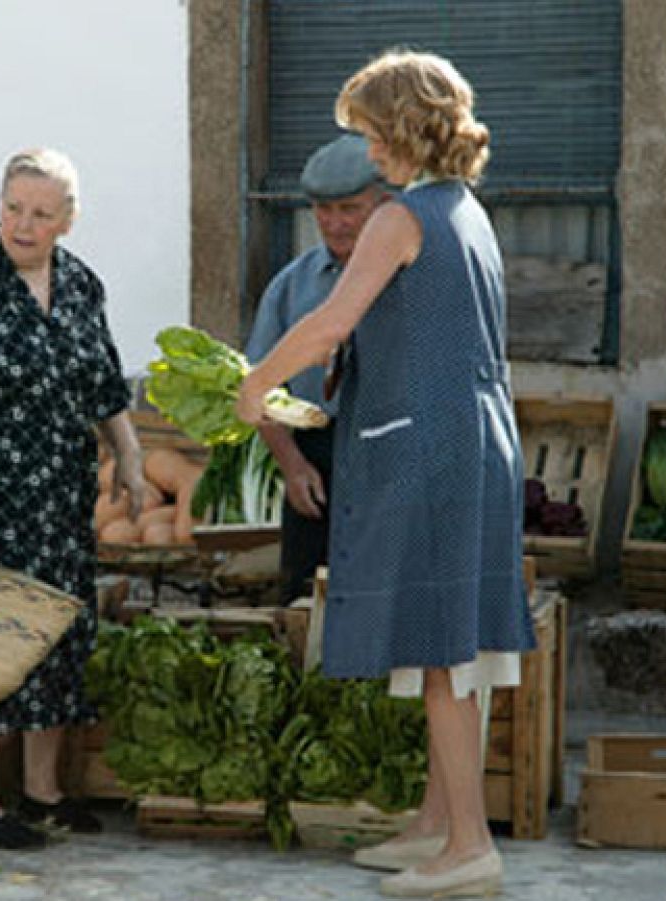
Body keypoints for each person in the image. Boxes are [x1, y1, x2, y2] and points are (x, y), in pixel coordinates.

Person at [234, 51, 534, 899]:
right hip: (473, 438)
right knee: (449, 643)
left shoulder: (399, 218)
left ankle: (469, 846)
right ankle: (438, 823)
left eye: (367, 131)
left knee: (441, 652)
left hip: (430, 448)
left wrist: (254, 385)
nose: (364, 149)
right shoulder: (463, 209)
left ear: (400, 127)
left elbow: (329, 322)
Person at [0, 148, 147, 850]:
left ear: (67, 221)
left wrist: (128, 454)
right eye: (14, 207)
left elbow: (101, 382)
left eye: (41, 213)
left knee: (59, 634)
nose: (23, 224)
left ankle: (43, 791)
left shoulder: (77, 284)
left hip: (60, 494)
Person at [244, 134, 389, 605]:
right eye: (323, 210)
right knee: (305, 604)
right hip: (316, 460)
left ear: (384, 204)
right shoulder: (292, 285)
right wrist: (293, 465)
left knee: (381, 604)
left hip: (388, 454)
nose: (334, 223)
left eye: (350, 208)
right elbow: (260, 385)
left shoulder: (407, 276)